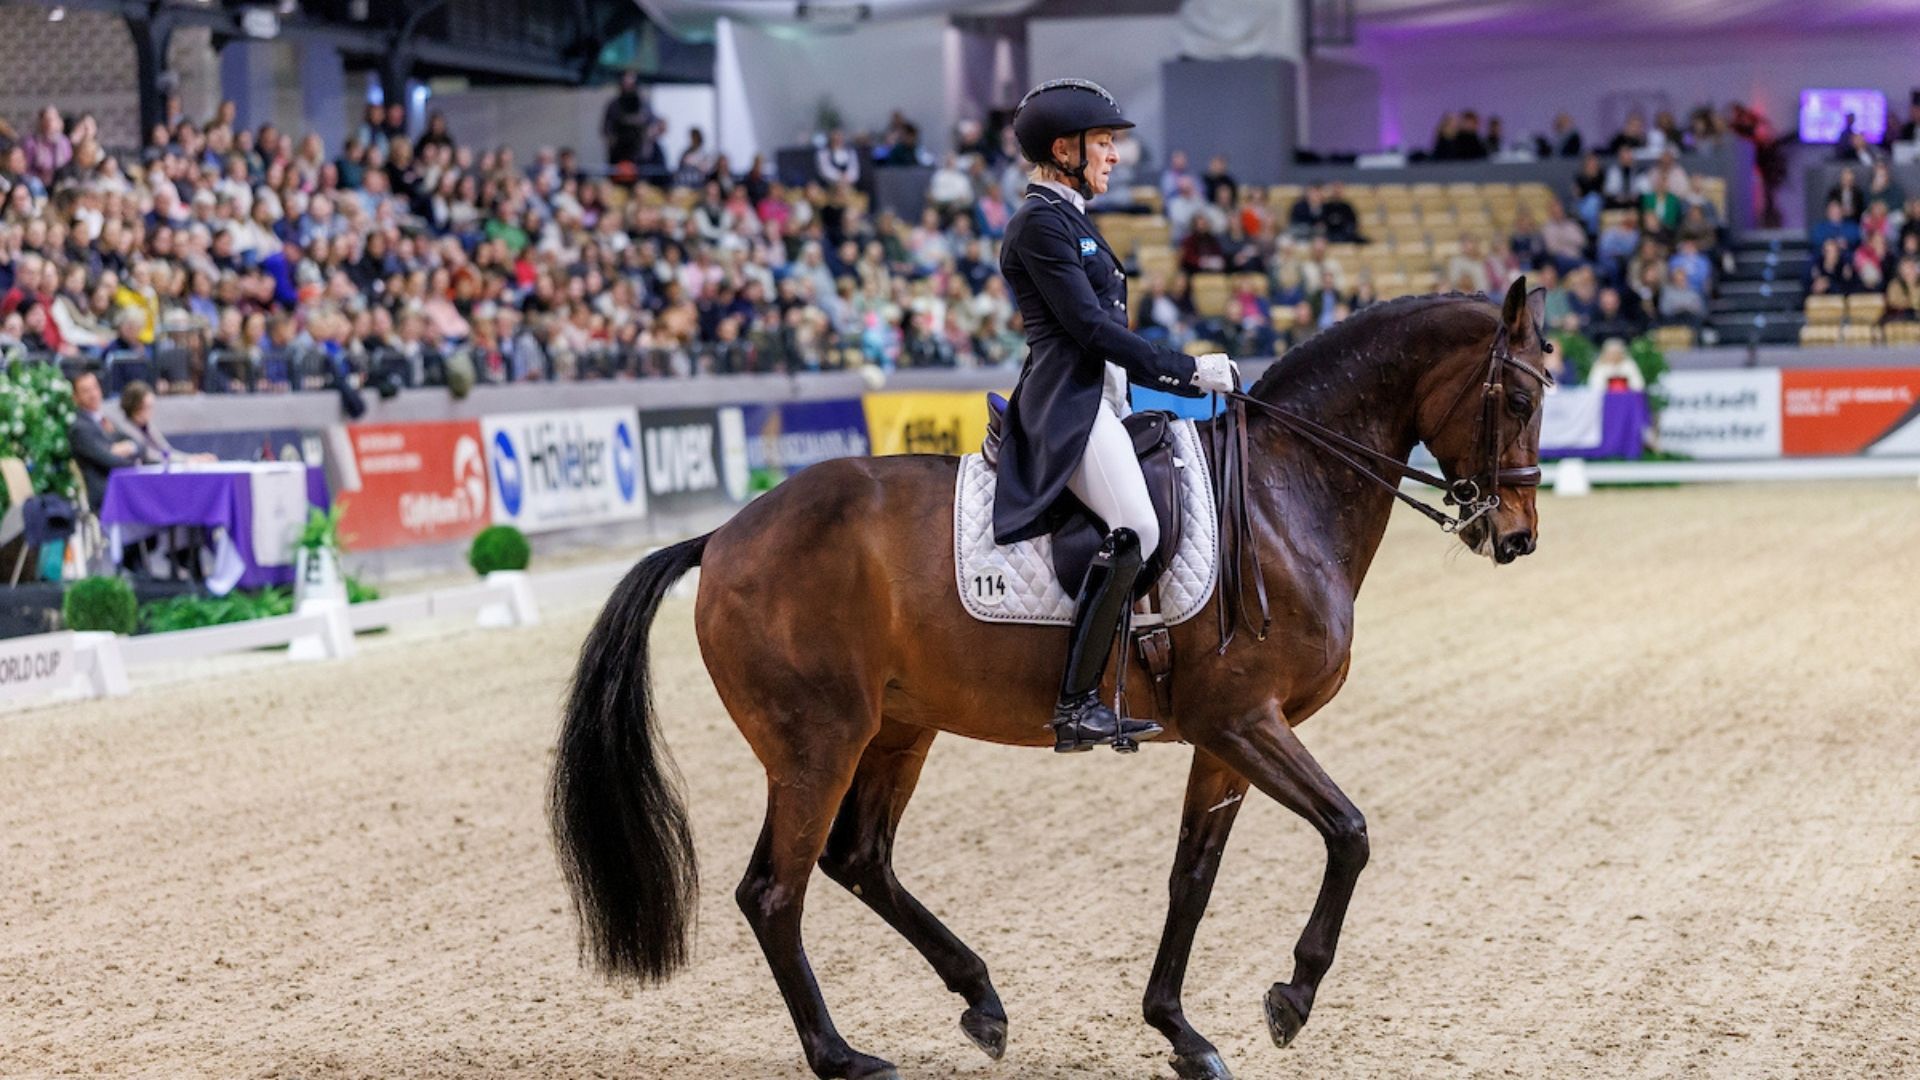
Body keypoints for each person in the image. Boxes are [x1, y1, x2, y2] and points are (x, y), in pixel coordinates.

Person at [995, 78, 1237, 752]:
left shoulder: (1070, 218)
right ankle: (1075, 703)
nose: (1114, 156)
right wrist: (1188, 368)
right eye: (1104, 142)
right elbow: (1090, 332)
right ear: (1063, 148)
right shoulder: (1039, 224)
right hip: (1065, 405)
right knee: (1135, 525)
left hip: (1103, 398)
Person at [68, 370, 139, 511]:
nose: (93, 394)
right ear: (75, 397)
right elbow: (109, 460)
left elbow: (139, 445)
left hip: (125, 489)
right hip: (107, 496)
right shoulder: (79, 428)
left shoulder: (105, 420)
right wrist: (135, 462)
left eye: (95, 387)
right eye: (86, 391)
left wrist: (130, 447)